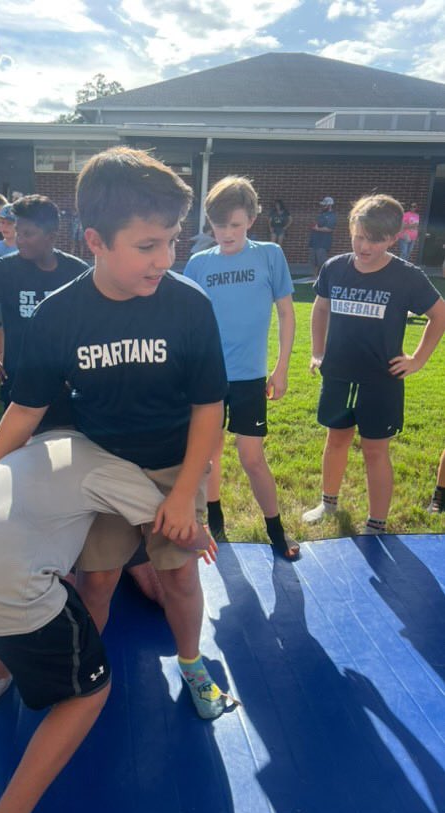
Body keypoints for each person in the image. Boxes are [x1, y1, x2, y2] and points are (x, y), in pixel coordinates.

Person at [0, 147, 230, 721]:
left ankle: (193, 665)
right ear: (95, 241)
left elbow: (209, 406)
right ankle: (80, 675)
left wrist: (185, 492)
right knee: (97, 583)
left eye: (173, 242)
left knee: (180, 578)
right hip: (98, 472)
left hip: (173, 466)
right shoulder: (59, 315)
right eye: (147, 245)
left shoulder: (189, 306)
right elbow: (24, 412)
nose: (164, 259)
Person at [0, 430, 212, 813]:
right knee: (89, 693)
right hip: (2, 588)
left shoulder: (43, 442)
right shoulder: (109, 465)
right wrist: (201, 533)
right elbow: (174, 525)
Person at [303, 194, 445, 534]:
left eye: (375, 240)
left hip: (381, 379)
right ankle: (328, 503)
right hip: (338, 374)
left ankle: (376, 522)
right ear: (351, 229)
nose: (364, 246)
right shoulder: (335, 267)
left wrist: (417, 359)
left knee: (375, 450)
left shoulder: (406, 276)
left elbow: (439, 315)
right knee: (336, 440)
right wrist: (318, 351)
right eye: (359, 237)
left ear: (393, 238)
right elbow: (320, 308)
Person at [184, 175, 299, 559]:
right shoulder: (199, 264)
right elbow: (187, 322)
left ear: (251, 219)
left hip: (250, 378)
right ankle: (215, 523)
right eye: (219, 225)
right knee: (208, 454)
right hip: (209, 378)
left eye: (235, 224)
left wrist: (281, 368)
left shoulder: (269, 255)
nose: (227, 233)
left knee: (252, 457)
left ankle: (276, 530)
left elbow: (286, 313)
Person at [0, 195, 88, 410]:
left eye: (28, 234)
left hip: (68, 382)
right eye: (18, 232)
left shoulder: (76, 271)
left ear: (51, 236)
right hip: (20, 382)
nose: (20, 240)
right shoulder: (7, 269)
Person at [309, 196, 336, 277]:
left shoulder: (332, 216)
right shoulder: (321, 214)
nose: (323, 206)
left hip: (323, 243)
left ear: (329, 205)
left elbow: (329, 229)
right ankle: (315, 277)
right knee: (313, 261)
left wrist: (318, 229)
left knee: (321, 262)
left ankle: (322, 277)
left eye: (324, 205)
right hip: (314, 241)